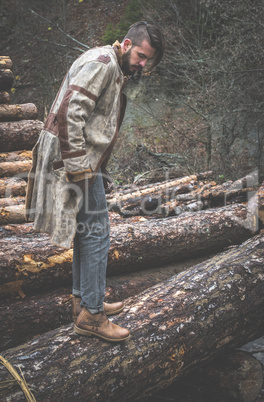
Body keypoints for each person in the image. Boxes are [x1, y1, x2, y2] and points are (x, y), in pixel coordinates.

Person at [25, 21, 165, 342]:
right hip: (71, 158)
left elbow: (94, 123)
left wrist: (98, 170)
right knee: (98, 231)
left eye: (148, 60)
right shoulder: (103, 65)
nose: (143, 63)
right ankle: (92, 313)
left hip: (80, 159)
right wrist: (79, 171)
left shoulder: (112, 65)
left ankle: (82, 301)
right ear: (127, 44)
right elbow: (70, 114)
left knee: (87, 229)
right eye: (141, 55)